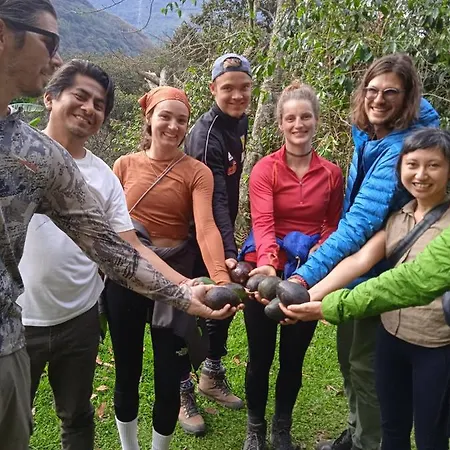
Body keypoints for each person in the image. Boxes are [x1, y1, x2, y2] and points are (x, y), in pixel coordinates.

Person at [0, 3, 232, 450]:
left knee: (66, 418)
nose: (55, 59)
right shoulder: (110, 163)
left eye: (100, 105)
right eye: (50, 42)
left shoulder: (41, 159)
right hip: (25, 319)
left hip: (34, 328)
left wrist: (186, 291)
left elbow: (112, 246)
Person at [17, 59, 200, 450]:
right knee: (11, 423)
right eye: (80, 96)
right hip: (17, 320)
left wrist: (184, 290)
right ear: (50, 97)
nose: (89, 108)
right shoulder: (15, 157)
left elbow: (126, 247)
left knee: (77, 418)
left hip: (79, 319)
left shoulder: (103, 176)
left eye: (99, 104)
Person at [285, 54, 440, 450]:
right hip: (356, 270)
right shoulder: (368, 132)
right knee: (349, 359)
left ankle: (368, 441)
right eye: (372, 90)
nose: (379, 99)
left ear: (407, 98)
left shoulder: (398, 148)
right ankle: (357, 432)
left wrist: (305, 279)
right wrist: (314, 284)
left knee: (365, 366)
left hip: (383, 271)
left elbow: (358, 226)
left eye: (391, 92)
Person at [105, 85, 233, 450]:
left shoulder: (197, 172)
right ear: (149, 118)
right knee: (127, 371)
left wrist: (220, 280)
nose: (174, 127)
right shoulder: (124, 166)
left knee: (169, 376)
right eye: (165, 117)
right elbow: (112, 229)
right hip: (127, 276)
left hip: (176, 281)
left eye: (182, 120)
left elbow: (205, 228)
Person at [240, 82, 343, 450]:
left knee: (293, 358)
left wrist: (318, 253)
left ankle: (281, 427)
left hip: (308, 270)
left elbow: (332, 224)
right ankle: (255, 427)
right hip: (265, 266)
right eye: (291, 118)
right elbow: (263, 223)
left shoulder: (331, 174)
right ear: (280, 123)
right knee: (260, 356)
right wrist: (268, 265)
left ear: (316, 121)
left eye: (305, 117)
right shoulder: (265, 169)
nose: (298, 124)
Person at [181, 52, 252, 434]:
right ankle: (182, 389)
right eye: (228, 88)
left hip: (219, 230)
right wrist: (228, 251)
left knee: (225, 301)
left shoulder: (237, 123)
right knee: (190, 310)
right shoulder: (206, 135)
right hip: (195, 237)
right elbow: (214, 201)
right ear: (213, 89)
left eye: (244, 87)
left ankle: (211, 373)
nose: (237, 95)